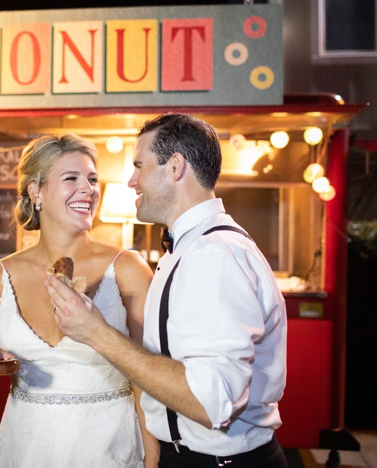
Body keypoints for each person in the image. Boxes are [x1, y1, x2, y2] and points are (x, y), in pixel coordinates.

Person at [45, 114, 290, 468]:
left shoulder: (212, 255)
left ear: (175, 166)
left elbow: (210, 402)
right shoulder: (190, 248)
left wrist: (96, 333)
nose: (131, 181)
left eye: (139, 166)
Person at [0, 134, 159, 467]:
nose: (88, 189)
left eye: (92, 179)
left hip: (108, 448)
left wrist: (153, 461)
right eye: (71, 178)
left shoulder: (127, 268)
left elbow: (150, 378)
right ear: (36, 192)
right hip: (26, 447)